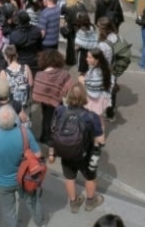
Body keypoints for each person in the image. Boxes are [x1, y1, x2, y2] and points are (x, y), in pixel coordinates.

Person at [0, 104, 45, 227]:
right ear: (14, 119)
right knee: (32, 202)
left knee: (8, 210)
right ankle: (40, 223)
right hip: (25, 178)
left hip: (2, 182)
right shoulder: (25, 133)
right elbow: (38, 154)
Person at [50, 83, 106, 214]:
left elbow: (53, 132)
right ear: (84, 97)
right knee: (90, 177)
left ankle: (74, 203)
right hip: (85, 155)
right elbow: (101, 139)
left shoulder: (60, 110)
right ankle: (90, 202)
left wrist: (52, 153)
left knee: (69, 177)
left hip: (65, 152)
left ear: (68, 96)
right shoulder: (91, 116)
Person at [32, 49, 74, 146]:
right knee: (54, 119)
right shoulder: (64, 74)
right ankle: (49, 138)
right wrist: (61, 93)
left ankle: (44, 136)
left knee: (46, 117)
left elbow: (37, 89)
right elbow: (69, 87)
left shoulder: (40, 74)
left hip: (44, 101)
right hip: (57, 100)